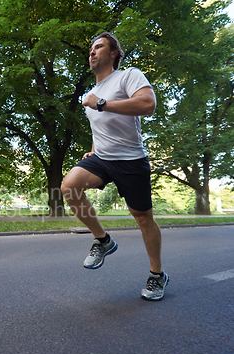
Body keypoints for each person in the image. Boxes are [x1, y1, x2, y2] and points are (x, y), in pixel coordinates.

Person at [60, 32, 169, 301]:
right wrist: (94, 150)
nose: (92, 52)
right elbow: (101, 129)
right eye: (90, 48)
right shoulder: (92, 94)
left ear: (113, 54)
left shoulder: (127, 76)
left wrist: (101, 103)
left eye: (99, 47)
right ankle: (103, 240)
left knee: (143, 218)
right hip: (102, 159)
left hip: (131, 159)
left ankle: (157, 274)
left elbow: (148, 104)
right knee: (69, 187)